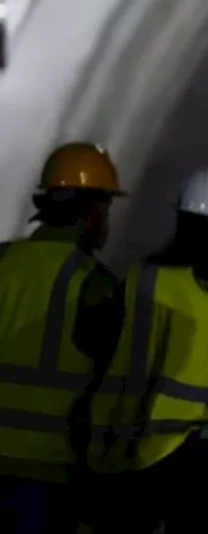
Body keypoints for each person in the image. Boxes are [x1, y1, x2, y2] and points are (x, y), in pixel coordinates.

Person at [83, 165, 208, 534]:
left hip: (136, 450)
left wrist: (95, 445)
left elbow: (111, 363)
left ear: (182, 218)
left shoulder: (144, 278)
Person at [0, 142, 126, 534]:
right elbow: (110, 391)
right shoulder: (96, 285)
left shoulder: (2, 260)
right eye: (105, 211)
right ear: (89, 213)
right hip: (47, 471)